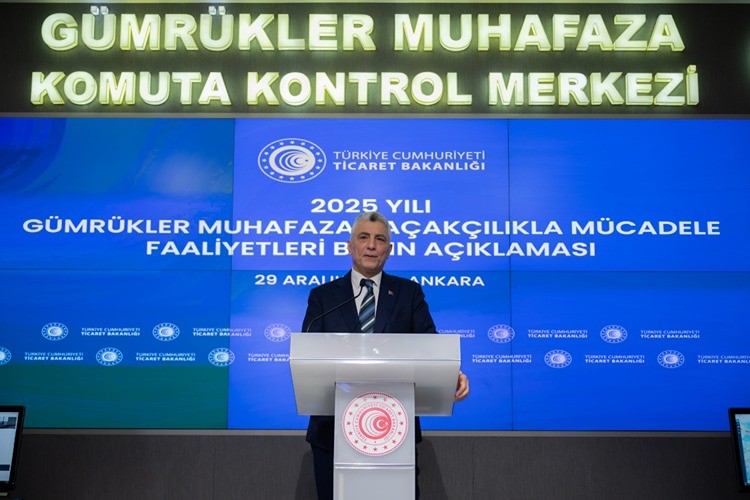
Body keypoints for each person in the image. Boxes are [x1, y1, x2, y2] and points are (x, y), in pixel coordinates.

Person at [301, 211, 470, 500]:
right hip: (333, 431)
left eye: (380, 239)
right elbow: (309, 356)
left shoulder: (408, 293)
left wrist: (451, 374)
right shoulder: (323, 296)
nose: (371, 245)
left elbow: (431, 347)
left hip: (395, 429)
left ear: (389, 250)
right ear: (349, 246)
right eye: (363, 237)